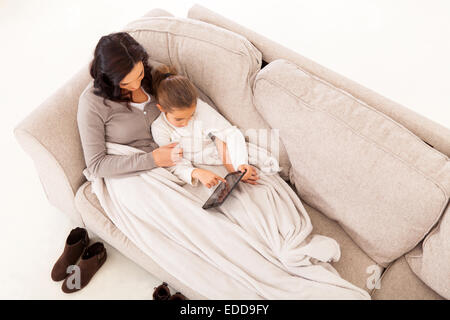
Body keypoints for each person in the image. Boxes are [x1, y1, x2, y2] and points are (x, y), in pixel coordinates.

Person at [77, 32, 182, 179]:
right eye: (125, 83)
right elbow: (96, 165)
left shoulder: (153, 74)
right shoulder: (92, 103)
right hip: (131, 174)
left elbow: (190, 101)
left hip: (176, 160)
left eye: (139, 75)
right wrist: (154, 159)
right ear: (107, 77)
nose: (136, 85)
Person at [150, 64, 260, 188]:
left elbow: (229, 133)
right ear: (161, 109)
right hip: (192, 166)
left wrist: (240, 163)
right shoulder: (159, 128)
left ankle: (236, 174)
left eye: (191, 115)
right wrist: (195, 173)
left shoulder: (200, 107)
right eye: (179, 119)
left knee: (219, 139)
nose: (186, 123)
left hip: (218, 152)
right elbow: (172, 163)